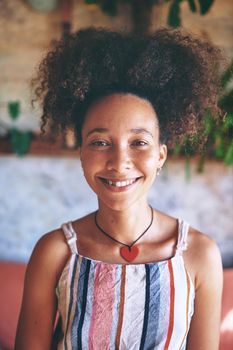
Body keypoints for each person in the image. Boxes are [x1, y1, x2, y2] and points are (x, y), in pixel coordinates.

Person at [15, 27, 223, 350]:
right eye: (100, 142)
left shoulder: (199, 256)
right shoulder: (55, 253)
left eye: (139, 142)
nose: (119, 161)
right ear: (81, 153)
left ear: (160, 156)